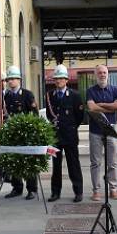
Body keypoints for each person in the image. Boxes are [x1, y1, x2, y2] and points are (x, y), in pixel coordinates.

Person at [46, 64, 84, 203]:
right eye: (56, 78)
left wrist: (71, 127)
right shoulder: (50, 95)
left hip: (70, 135)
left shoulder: (74, 95)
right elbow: (50, 116)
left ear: (66, 80)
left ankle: (78, 192)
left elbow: (79, 116)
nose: (58, 81)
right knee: (56, 166)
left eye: (61, 78)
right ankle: (55, 192)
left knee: (73, 164)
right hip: (55, 136)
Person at [3, 65, 39, 200]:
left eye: (13, 79)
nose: (10, 81)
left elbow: (34, 114)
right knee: (15, 160)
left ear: (19, 80)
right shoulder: (7, 96)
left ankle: (32, 189)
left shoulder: (27, 94)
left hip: (26, 133)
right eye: (8, 79)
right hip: (13, 133)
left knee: (28, 161)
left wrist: (29, 129)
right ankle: (17, 187)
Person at [86, 64, 117, 201]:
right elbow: (91, 108)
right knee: (95, 162)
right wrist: (109, 107)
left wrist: (100, 105)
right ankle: (96, 191)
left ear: (108, 74)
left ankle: (113, 189)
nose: (102, 75)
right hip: (95, 131)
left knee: (112, 162)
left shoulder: (115, 90)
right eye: (99, 72)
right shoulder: (90, 91)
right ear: (96, 75)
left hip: (110, 130)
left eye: (104, 72)